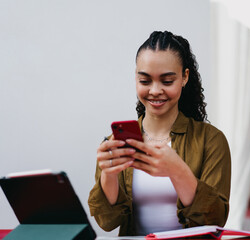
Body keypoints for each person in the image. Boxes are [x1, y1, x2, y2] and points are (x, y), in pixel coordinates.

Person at [88, 31, 231, 236]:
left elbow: (215, 219)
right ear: (136, 78)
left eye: (167, 81)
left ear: (184, 77)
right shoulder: (116, 143)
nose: (155, 91)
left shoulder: (211, 140)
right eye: (145, 81)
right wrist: (109, 176)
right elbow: (108, 222)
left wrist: (177, 171)